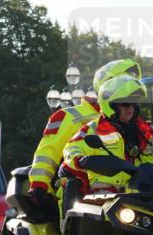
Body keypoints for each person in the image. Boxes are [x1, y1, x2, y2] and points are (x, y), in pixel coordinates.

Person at [26, 59, 143, 212]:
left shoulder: (133, 121)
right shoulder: (69, 115)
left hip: (129, 194)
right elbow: (47, 153)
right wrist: (39, 186)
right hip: (79, 191)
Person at [62, 74, 153, 198]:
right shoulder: (93, 129)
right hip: (106, 198)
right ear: (110, 105)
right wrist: (80, 160)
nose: (130, 108)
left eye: (133, 103)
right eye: (125, 103)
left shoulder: (147, 131)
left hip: (147, 193)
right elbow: (71, 149)